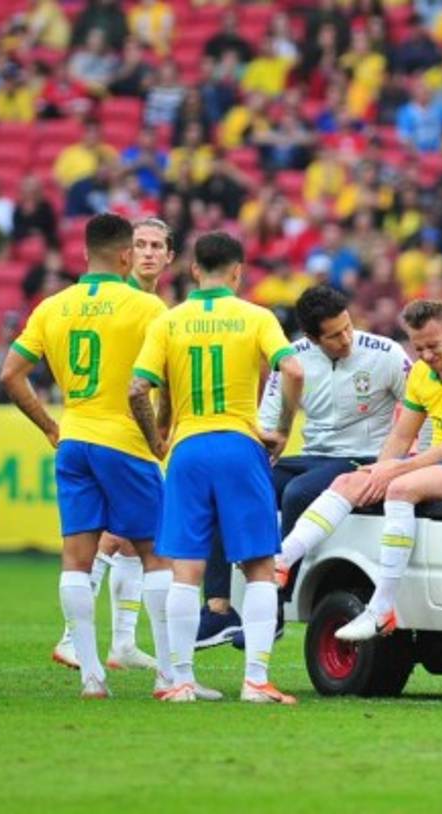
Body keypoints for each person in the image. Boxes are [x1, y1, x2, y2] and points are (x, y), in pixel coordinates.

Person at [0, 213, 174, 700]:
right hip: (125, 443)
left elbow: (10, 374)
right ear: (125, 256)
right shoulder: (147, 307)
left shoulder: (52, 306)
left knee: (76, 560)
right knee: (157, 555)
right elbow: (162, 379)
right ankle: (169, 676)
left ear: (83, 254)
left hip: (73, 440)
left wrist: (50, 426)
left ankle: (92, 677)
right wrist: (158, 434)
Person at [129, 231, 305, 704]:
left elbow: (137, 388)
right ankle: (255, 681)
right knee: (259, 566)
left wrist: (157, 439)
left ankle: (181, 681)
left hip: (188, 449)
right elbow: (294, 370)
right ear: (238, 272)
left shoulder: (169, 321)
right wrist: (283, 427)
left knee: (186, 568)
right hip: (239, 445)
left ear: (193, 270)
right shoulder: (256, 316)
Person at [278, 299, 442, 642]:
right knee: (348, 480)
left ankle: (381, 608)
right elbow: (401, 436)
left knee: (401, 488)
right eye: (418, 348)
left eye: (433, 346)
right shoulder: (422, 372)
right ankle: (282, 561)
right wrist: (376, 472)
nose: (426, 356)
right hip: (437, 468)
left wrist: (391, 474)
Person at [222, 284, 410, 649]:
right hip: (314, 455)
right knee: (242, 487)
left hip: (363, 459)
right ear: (311, 337)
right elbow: (268, 419)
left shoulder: (386, 353)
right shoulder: (293, 359)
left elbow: (422, 404)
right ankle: (220, 604)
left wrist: (409, 461)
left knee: (297, 493)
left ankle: (275, 606)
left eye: (348, 327)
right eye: (335, 335)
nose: (346, 338)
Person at [50, 218, 175, 673]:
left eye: (156, 246)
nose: (147, 252)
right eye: (140, 244)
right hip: (118, 435)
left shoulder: (153, 305)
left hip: (116, 432)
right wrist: (160, 429)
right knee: (123, 535)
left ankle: (123, 640)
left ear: (169, 257)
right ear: (126, 253)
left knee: (127, 541)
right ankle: (72, 636)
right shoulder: (130, 305)